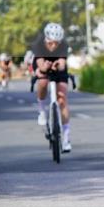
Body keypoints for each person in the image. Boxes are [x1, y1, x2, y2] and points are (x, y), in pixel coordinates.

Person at [32, 23, 72, 152]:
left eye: (56, 43)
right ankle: (41, 110)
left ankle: (66, 138)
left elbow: (62, 63)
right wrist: (45, 67)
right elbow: (41, 65)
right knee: (43, 82)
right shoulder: (38, 44)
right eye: (50, 43)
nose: (54, 46)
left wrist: (57, 66)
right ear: (46, 39)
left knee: (62, 99)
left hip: (57, 65)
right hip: (42, 63)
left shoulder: (64, 45)